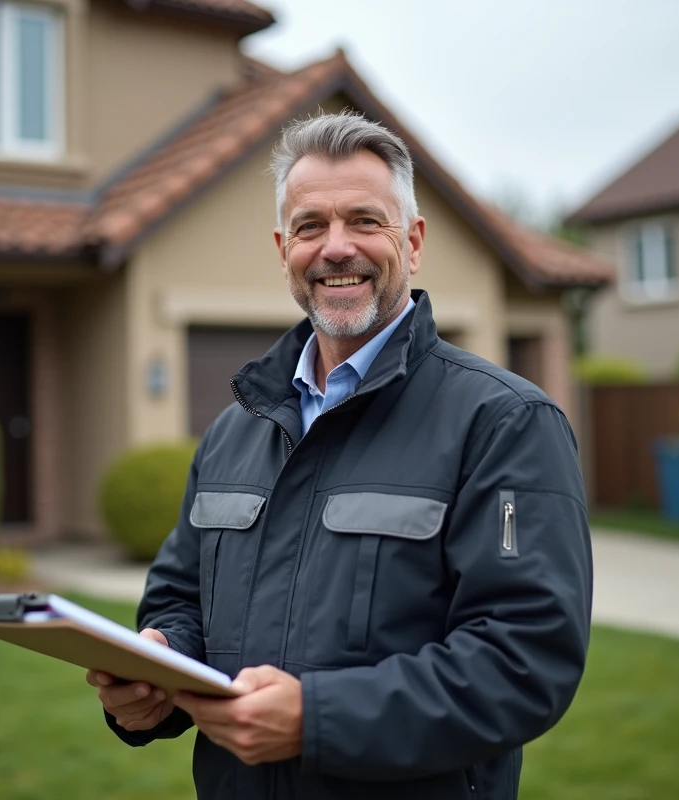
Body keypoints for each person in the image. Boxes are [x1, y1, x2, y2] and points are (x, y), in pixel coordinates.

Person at [86, 111, 594, 799]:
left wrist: (317, 720)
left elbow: (524, 661)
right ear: (282, 248)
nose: (335, 248)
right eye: (310, 226)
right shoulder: (235, 431)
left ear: (412, 242)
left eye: (364, 220)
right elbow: (179, 599)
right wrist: (158, 665)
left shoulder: (504, 423)